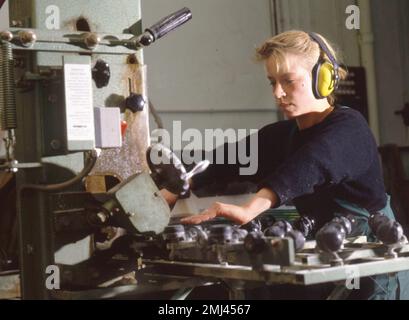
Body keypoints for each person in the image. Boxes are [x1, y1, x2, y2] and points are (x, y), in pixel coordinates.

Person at [159, 30, 408, 300]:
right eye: (272, 82)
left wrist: (251, 208)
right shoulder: (284, 135)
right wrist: (175, 186)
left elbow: (311, 163)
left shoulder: (350, 128)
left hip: (373, 265)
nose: (278, 93)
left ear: (322, 79)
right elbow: (226, 159)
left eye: (288, 81)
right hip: (330, 257)